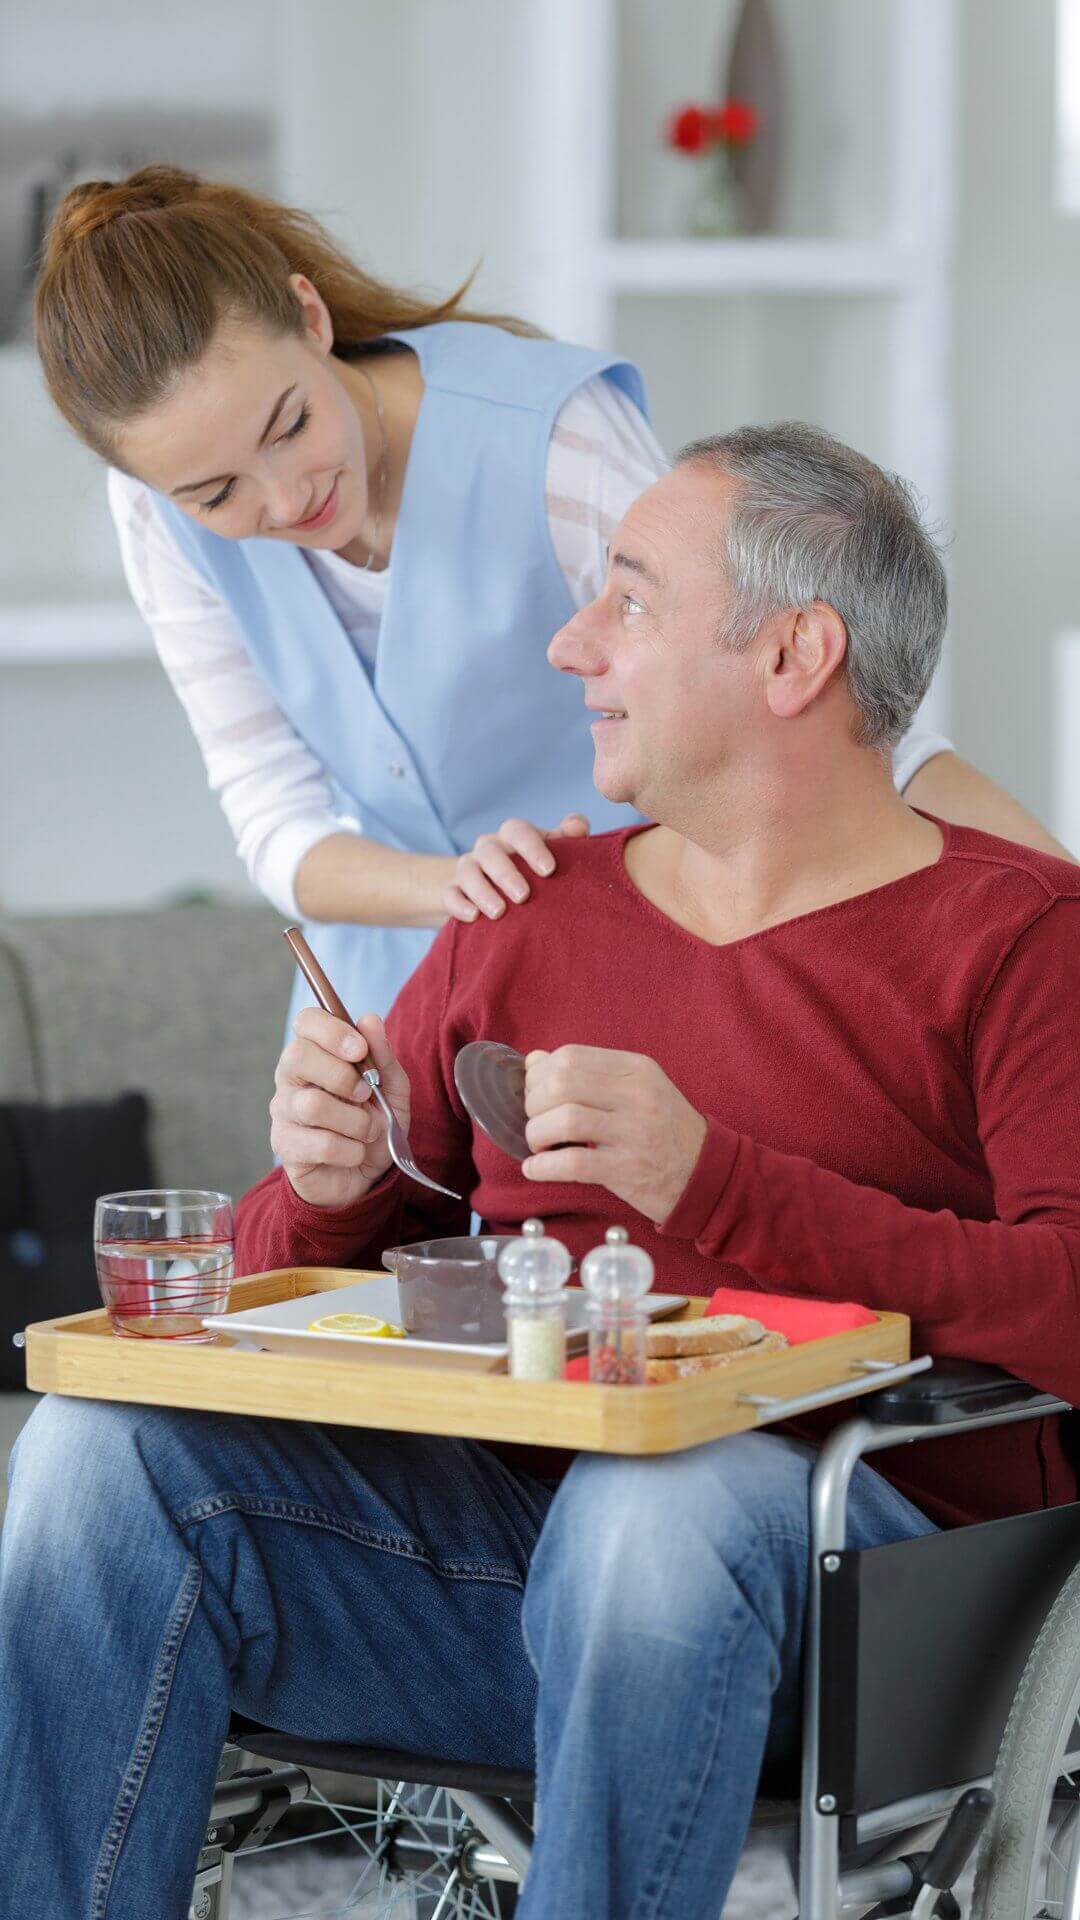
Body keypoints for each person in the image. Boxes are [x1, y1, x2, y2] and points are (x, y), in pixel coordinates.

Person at [4, 422, 1079, 1919]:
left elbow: (1069, 1301)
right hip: (488, 1578)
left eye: (628, 600)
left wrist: (717, 1187)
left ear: (794, 657)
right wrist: (325, 1189)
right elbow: (272, 1278)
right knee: (89, 1453)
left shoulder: (1023, 937)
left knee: (662, 1503)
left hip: (871, 1616)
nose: (574, 644)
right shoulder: (529, 914)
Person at [33, 166, 1068, 1038]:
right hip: (385, 1020)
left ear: (310, 316)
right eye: (217, 494)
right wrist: (457, 891)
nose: (283, 497)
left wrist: (1056, 896)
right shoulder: (156, 512)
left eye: (290, 424)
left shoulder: (553, 438)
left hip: (633, 978)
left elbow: (813, 709)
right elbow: (272, 817)